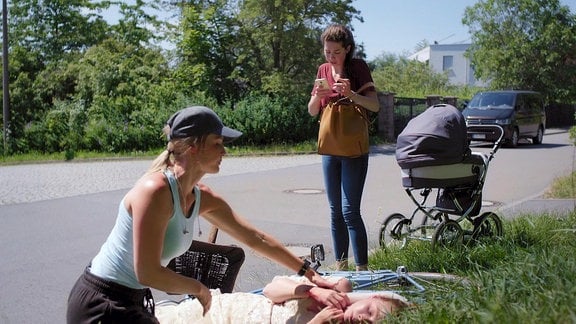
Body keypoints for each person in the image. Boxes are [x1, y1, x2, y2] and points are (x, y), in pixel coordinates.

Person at [66, 106, 339, 323]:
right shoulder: (155, 190)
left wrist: (309, 274)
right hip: (103, 303)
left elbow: (256, 238)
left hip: (132, 299)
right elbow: (147, 271)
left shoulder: (201, 197)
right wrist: (198, 288)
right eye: (218, 143)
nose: (225, 151)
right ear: (193, 147)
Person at [307, 24, 380, 271]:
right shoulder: (323, 70)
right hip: (330, 148)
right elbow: (312, 111)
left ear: (347, 49)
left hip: (353, 150)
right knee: (335, 212)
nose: (331, 57)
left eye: (336, 52)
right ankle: (341, 267)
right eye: (327, 52)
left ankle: (362, 269)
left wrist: (351, 94)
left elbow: (375, 106)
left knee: (350, 211)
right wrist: (317, 95)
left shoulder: (358, 68)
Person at [155, 275, 410, 323]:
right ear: (372, 297)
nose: (360, 318)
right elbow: (270, 289)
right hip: (232, 308)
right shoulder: (335, 291)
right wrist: (312, 290)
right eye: (369, 311)